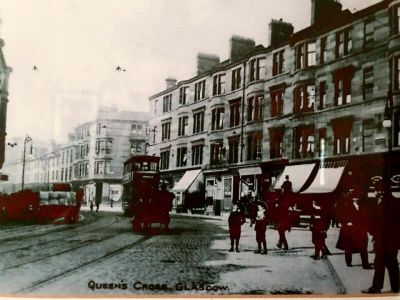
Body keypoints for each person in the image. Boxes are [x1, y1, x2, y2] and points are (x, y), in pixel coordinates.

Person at [362, 178, 400, 294]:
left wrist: (373, 231)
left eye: (378, 189)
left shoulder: (385, 202)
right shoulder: (396, 202)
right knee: (392, 262)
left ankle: (376, 287)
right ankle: (395, 287)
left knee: (380, 262)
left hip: (385, 239)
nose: (377, 192)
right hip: (392, 240)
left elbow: (378, 221)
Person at [336, 189, 371, 269]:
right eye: (354, 197)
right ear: (351, 198)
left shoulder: (363, 205)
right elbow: (340, 215)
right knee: (349, 247)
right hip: (349, 230)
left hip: (361, 229)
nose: (356, 199)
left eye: (358, 197)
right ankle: (348, 263)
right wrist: (344, 222)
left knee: (363, 247)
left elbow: (366, 217)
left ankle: (365, 264)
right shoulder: (346, 205)